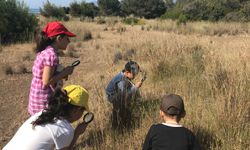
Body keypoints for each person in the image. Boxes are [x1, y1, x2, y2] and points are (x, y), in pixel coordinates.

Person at [3, 85, 90, 150]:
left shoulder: (41, 114)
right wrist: (77, 133)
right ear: (76, 110)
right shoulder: (64, 130)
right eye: (83, 111)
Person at [28, 21, 76, 115]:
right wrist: (65, 72)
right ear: (59, 38)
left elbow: (46, 76)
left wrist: (60, 74)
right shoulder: (51, 55)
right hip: (42, 102)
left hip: (35, 100)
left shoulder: (45, 51)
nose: (69, 41)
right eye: (67, 38)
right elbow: (46, 82)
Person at [106, 60, 144, 130]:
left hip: (120, 92)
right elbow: (124, 95)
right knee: (122, 106)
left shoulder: (125, 75)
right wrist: (135, 87)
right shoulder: (121, 81)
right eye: (134, 74)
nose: (135, 76)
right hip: (113, 96)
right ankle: (119, 124)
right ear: (127, 72)